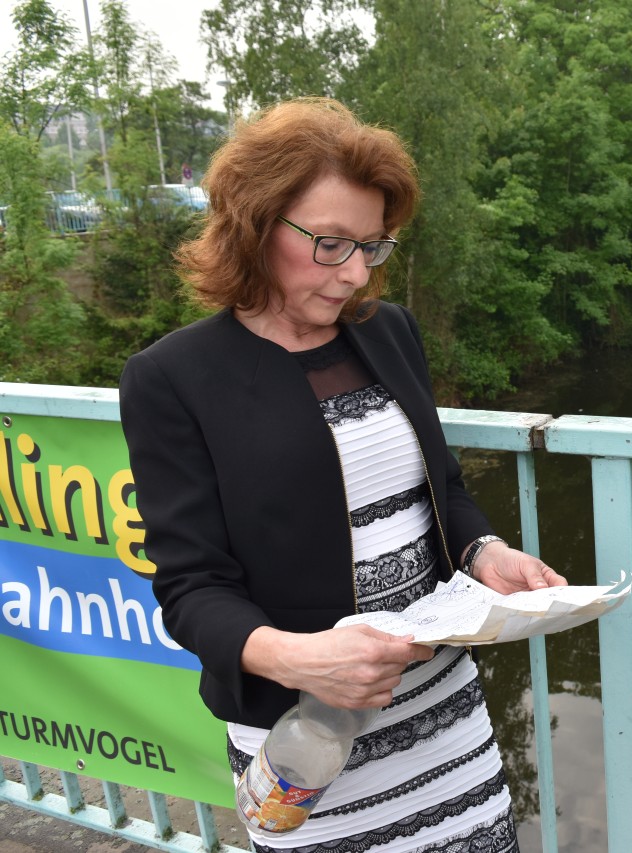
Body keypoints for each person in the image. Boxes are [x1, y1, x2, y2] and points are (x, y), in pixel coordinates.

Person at [119, 97, 566, 853]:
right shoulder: (172, 378)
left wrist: (486, 553)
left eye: (372, 245)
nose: (356, 272)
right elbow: (191, 588)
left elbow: (440, 489)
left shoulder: (388, 333)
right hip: (309, 740)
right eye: (331, 243)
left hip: (443, 713)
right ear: (255, 225)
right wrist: (301, 656)